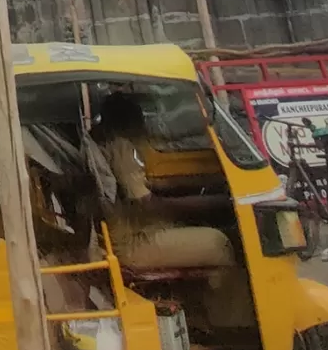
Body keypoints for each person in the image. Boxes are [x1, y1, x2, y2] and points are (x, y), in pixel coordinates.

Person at [96, 90, 235, 272]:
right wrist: (213, 202)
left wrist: (195, 185)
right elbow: (148, 205)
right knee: (219, 243)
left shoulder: (110, 143)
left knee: (211, 226)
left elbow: (142, 185)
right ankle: (224, 298)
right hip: (134, 243)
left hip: (138, 226)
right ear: (131, 121)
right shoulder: (121, 148)